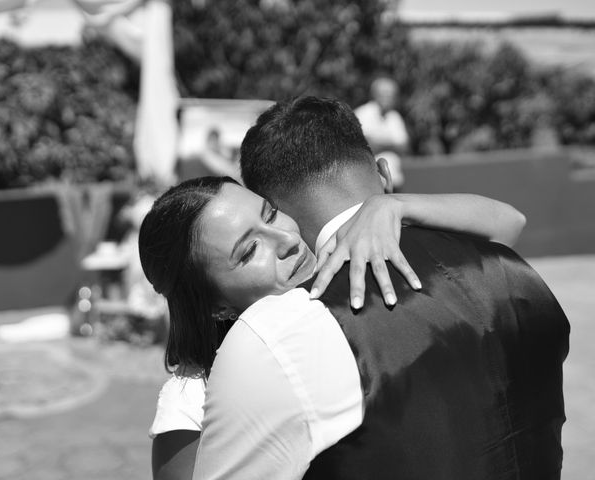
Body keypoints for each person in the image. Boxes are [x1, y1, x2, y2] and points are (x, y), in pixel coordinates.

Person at [190, 96, 570, 480]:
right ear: (385, 174)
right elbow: (511, 222)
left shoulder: (278, 332)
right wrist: (394, 204)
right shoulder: (514, 273)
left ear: (280, 214)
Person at [141, 179, 527, 479]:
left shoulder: (349, 266)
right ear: (215, 306)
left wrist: (393, 205)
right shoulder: (191, 398)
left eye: (271, 214)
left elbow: (508, 225)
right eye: (248, 251)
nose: (287, 241)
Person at [354, 76, 409, 191]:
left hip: (395, 181)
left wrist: (380, 144)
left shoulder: (395, 117)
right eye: (384, 93)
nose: (388, 97)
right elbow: (365, 146)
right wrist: (392, 145)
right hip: (369, 182)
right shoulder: (363, 113)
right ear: (374, 94)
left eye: (391, 94)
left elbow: (404, 146)